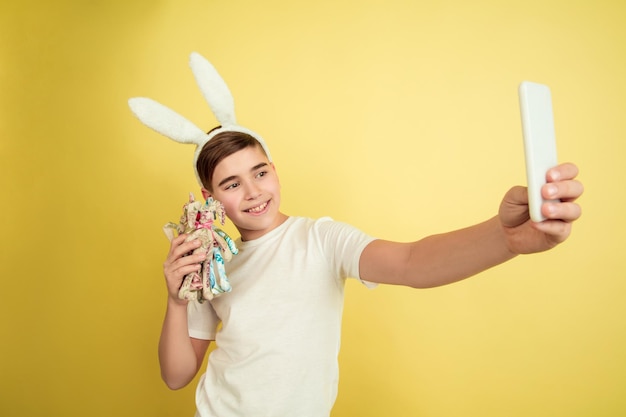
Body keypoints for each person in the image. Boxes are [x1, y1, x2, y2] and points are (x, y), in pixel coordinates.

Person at [129, 52, 583, 417]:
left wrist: (504, 238)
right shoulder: (213, 271)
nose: (253, 192)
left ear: (274, 170)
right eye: (231, 184)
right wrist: (175, 300)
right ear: (210, 197)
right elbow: (176, 375)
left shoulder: (321, 241)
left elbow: (412, 262)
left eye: (259, 172)